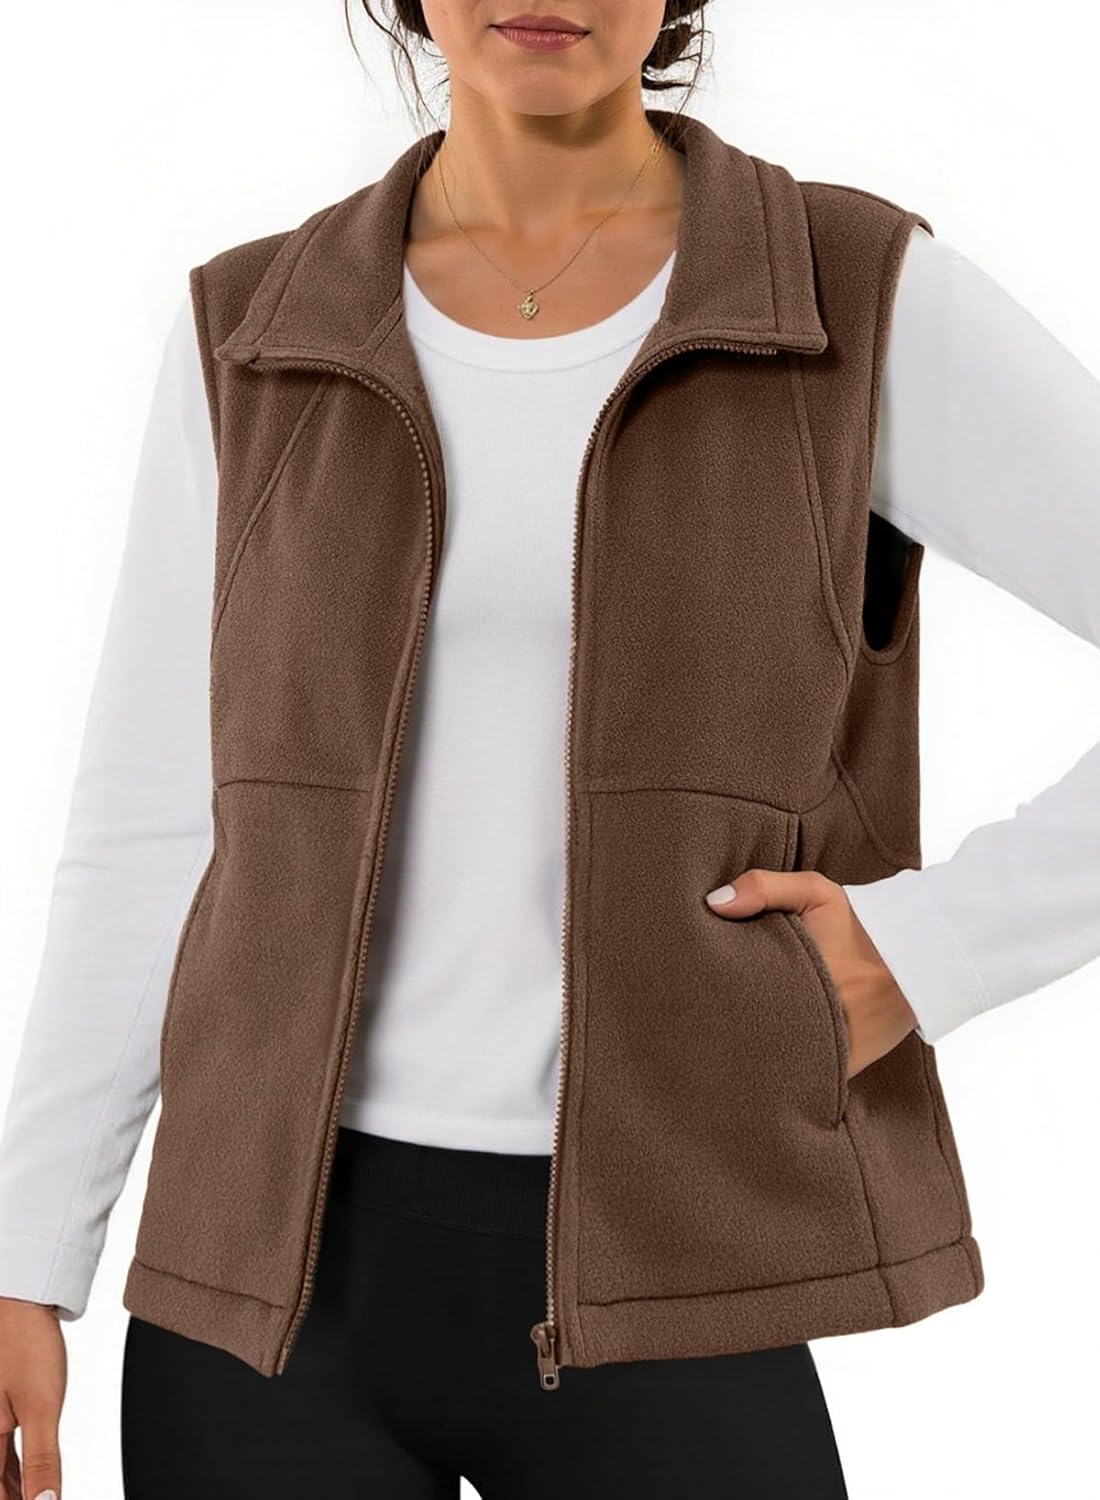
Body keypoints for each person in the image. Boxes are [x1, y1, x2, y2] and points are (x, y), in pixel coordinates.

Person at [1, 2, 1098, 1496]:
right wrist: (31, 1251)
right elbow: (152, 825)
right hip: (260, 1298)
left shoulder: (851, 295)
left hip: (679, 1264)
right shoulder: (257, 329)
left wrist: (930, 950)